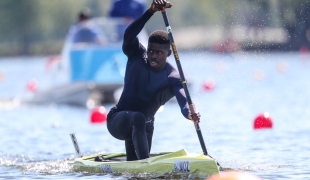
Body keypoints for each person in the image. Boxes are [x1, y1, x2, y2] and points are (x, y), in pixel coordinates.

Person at [106, 0, 201, 161]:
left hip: (145, 125)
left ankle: (138, 168)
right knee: (138, 118)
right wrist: (150, 12)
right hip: (118, 121)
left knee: (144, 125)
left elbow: (183, 103)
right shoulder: (137, 56)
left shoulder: (173, 77)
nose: (153, 56)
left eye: (159, 53)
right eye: (151, 51)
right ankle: (146, 165)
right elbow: (128, 35)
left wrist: (190, 114)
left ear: (169, 53)